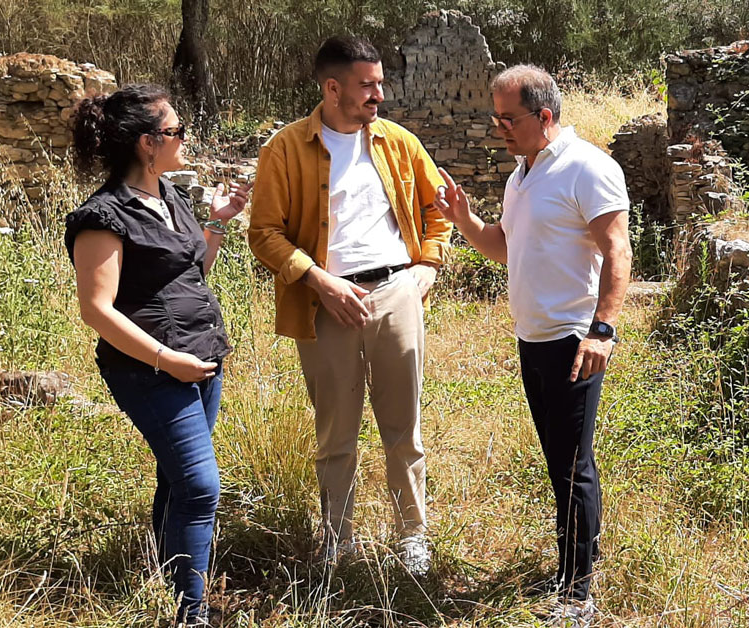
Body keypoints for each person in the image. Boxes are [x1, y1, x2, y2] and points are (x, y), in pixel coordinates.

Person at [433, 65, 631, 626]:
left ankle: (577, 593)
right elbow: (503, 246)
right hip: (532, 338)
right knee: (558, 460)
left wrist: (603, 330)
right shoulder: (523, 172)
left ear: (544, 117)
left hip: (573, 339)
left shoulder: (588, 168)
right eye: (495, 117)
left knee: (572, 465)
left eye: (507, 118)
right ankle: (578, 561)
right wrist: (465, 219)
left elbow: (617, 250)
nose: (499, 128)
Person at [247, 36, 451, 576]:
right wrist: (318, 282)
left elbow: (439, 211)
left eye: (380, 83)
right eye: (368, 85)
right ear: (332, 87)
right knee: (335, 431)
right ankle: (337, 538)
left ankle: (413, 536)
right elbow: (264, 233)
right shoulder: (285, 149)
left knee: (403, 427)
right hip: (325, 302)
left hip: (395, 292)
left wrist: (425, 270)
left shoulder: (400, 143)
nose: (378, 95)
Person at [64, 84, 251, 625]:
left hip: (201, 359)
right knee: (199, 486)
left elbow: (188, 272)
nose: (184, 138)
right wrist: (167, 361)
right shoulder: (102, 217)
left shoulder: (169, 198)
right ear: (148, 144)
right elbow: (97, 310)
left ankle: (171, 587)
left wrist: (216, 221)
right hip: (149, 370)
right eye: (176, 131)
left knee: (176, 481)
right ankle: (191, 613)